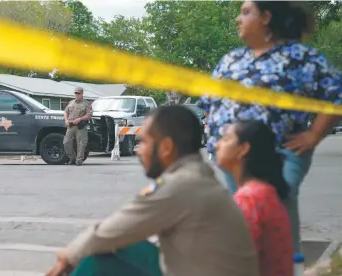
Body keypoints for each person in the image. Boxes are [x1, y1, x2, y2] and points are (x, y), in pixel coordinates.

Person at [196, 0, 342, 253]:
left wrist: (315, 134)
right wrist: (218, 135)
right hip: (234, 158)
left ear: (265, 17)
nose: (237, 20)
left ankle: (285, 265)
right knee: (247, 218)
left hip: (280, 153)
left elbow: (336, 97)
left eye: (245, 12)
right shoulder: (231, 59)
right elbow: (209, 103)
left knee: (274, 209)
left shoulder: (302, 58)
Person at [46, 105, 259, 276]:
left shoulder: (181, 185)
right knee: (114, 246)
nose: (138, 150)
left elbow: (112, 230)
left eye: (144, 142)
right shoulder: (197, 176)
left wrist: (68, 255)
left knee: (96, 256)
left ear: (166, 147)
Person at [215, 120, 294, 276]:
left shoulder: (249, 199)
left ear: (243, 149)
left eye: (225, 139)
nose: (217, 145)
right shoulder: (264, 192)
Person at [63, 87, 92, 166]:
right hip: (71, 125)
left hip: (80, 126)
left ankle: (79, 160)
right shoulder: (71, 102)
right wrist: (66, 120)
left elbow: (89, 115)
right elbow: (66, 112)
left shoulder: (86, 104)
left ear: (82, 94)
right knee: (66, 142)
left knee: (81, 144)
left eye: (78, 93)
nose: (77, 94)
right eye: (75, 93)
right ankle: (72, 158)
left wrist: (80, 119)